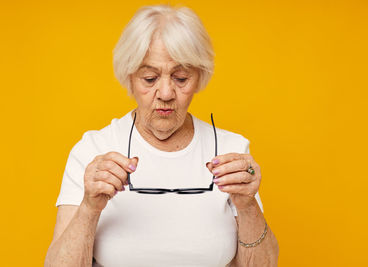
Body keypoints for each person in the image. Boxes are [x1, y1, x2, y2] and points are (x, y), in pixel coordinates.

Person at [45, 4, 279, 267]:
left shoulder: (231, 151)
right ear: (130, 77)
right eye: (149, 78)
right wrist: (89, 208)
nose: (166, 93)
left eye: (181, 78)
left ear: (199, 76)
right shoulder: (93, 150)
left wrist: (248, 206)